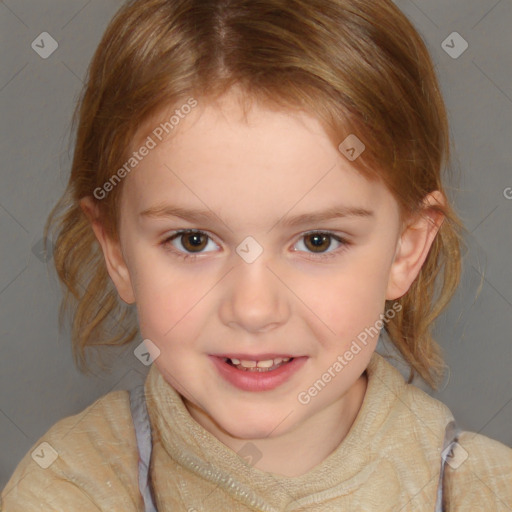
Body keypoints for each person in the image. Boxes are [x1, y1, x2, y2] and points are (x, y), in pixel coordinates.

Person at [2, 0, 511, 510]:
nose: (253, 308)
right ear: (116, 251)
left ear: (407, 248)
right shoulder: (67, 487)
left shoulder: (484, 492)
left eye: (317, 241)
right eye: (193, 241)